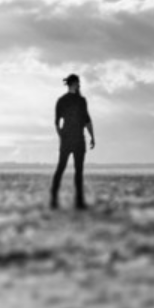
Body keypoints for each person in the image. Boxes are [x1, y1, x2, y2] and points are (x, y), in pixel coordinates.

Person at [52, 73, 95, 210]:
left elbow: (87, 120)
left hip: (78, 140)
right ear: (73, 83)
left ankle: (79, 202)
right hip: (70, 140)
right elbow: (57, 122)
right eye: (78, 82)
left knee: (78, 171)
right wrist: (61, 137)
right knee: (62, 168)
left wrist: (92, 136)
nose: (79, 84)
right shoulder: (63, 100)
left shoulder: (81, 101)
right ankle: (54, 200)